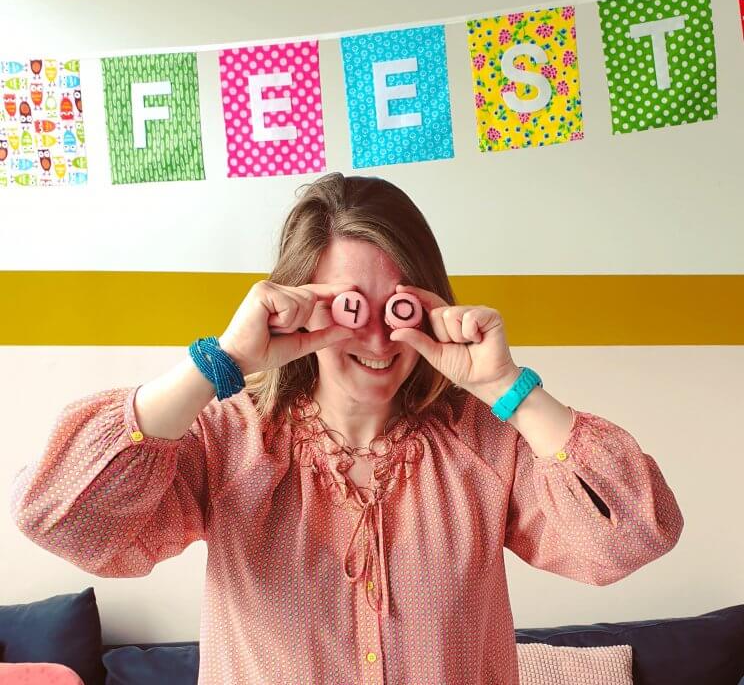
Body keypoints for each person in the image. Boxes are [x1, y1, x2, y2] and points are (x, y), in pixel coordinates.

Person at [9, 172, 684, 684]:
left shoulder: (486, 443)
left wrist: (507, 387)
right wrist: (222, 362)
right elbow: (60, 516)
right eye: (345, 306)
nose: (380, 335)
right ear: (294, 305)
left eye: (401, 305)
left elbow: (632, 536)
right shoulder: (229, 441)